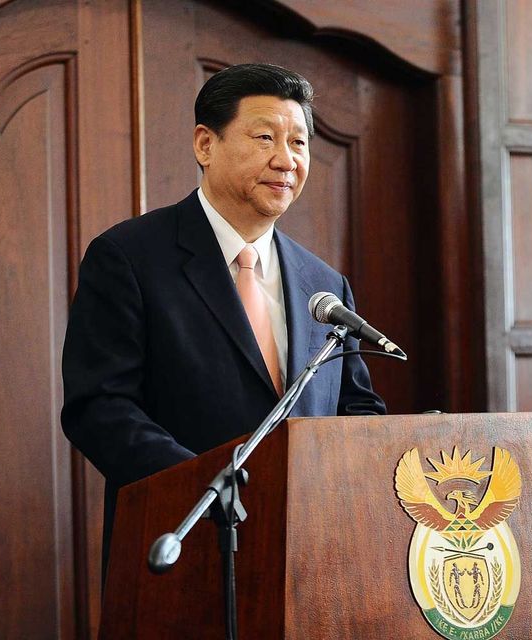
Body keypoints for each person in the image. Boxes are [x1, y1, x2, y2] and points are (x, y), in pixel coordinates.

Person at [61, 63, 385, 572]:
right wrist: (208, 486)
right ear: (204, 145)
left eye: (299, 143)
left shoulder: (323, 284)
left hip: (311, 552)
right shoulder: (129, 257)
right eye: (264, 137)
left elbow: (357, 410)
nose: (286, 160)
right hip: (183, 544)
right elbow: (99, 407)